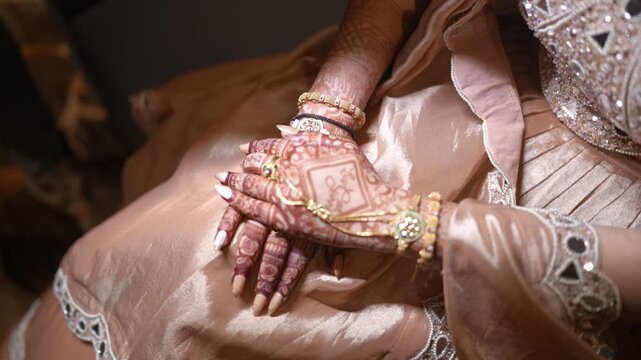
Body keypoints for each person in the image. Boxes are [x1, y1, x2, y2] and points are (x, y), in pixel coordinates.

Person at [4, 0, 641, 359]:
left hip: (586, 228)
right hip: (475, 82)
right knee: (199, 249)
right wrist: (323, 125)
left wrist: (395, 219)